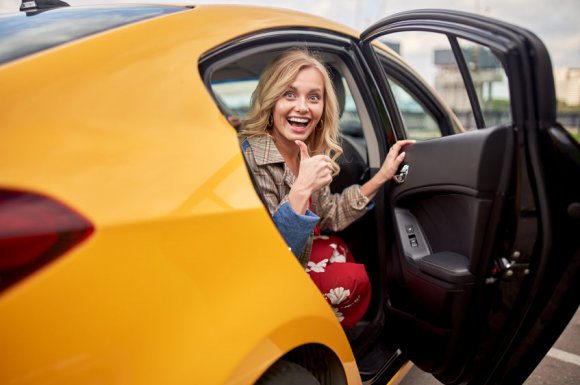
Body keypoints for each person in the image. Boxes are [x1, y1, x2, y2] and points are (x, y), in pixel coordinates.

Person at [239, 49, 413, 328]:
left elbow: (330, 213)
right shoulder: (249, 159)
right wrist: (301, 187)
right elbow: (270, 259)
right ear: (271, 100)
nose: (303, 107)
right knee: (349, 281)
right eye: (289, 94)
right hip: (263, 284)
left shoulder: (304, 152)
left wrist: (381, 177)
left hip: (293, 263)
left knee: (337, 250)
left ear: (323, 108)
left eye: (313, 97)